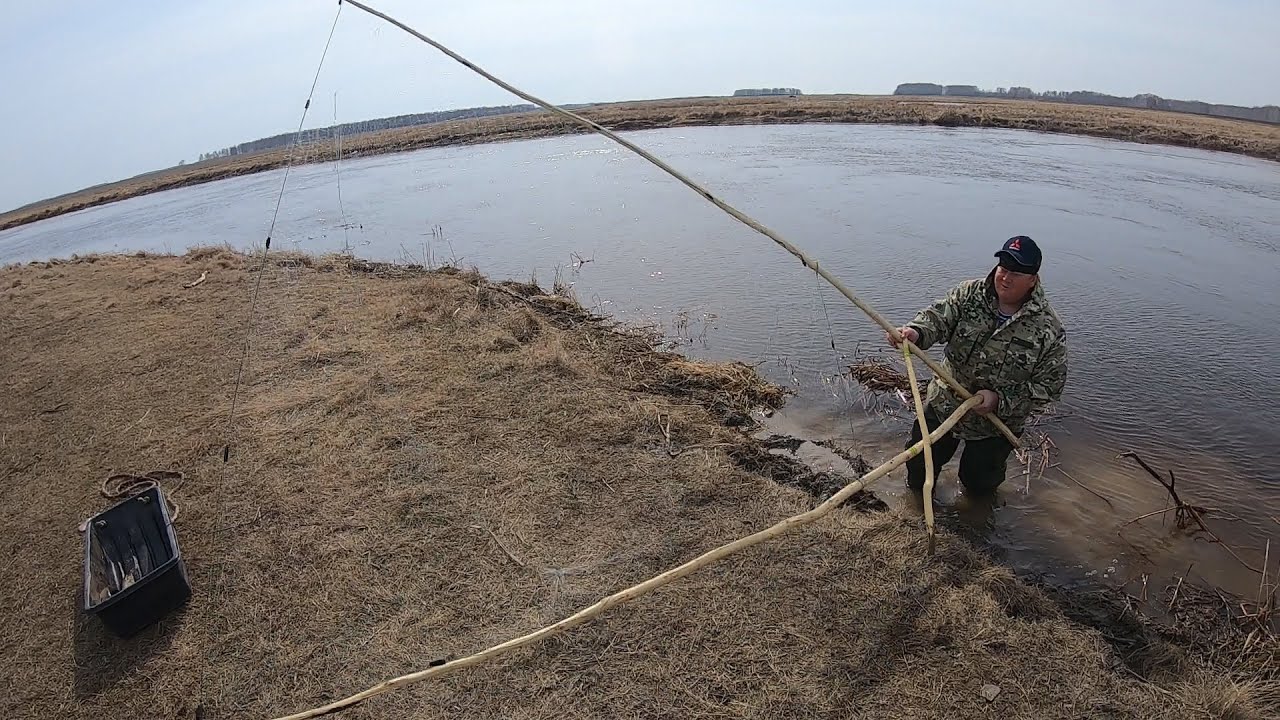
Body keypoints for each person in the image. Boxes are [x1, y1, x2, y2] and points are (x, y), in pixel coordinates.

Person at [887, 235, 1067, 497]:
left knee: (979, 486)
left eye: (1015, 273)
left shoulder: (1048, 328)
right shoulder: (969, 293)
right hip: (944, 404)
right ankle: (916, 512)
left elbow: (1049, 388)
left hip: (994, 426)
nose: (1005, 277)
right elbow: (937, 318)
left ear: (1033, 280)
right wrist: (915, 333)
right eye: (1003, 269)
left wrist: (999, 400)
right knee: (918, 468)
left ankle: (971, 528)